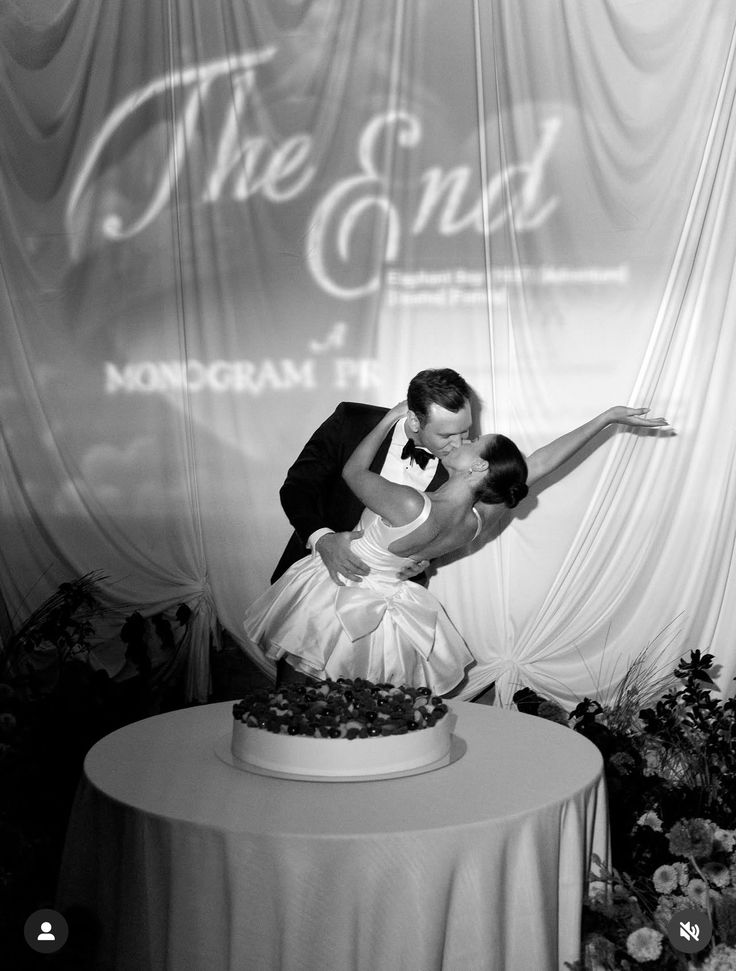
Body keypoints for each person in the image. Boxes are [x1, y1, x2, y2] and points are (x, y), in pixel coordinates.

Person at [244, 401, 669, 695]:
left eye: (471, 442)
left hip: (335, 595)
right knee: (361, 708)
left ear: (478, 465)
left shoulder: (410, 504)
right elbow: (538, 463)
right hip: (394, 614)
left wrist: (389, 419)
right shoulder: (475, 521)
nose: (461, 441)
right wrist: (605, 419)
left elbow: (353, 471)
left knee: (294, 702)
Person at [270, 368, 474, 586]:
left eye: (464, 431)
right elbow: (297, 488)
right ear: (414, 420)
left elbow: (444, 530)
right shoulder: (352, 421)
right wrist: (322, 539)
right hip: (310, 576)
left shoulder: (460, 465)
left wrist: (422, 558)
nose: (458, 444)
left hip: (389, 591)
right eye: (446, 435)